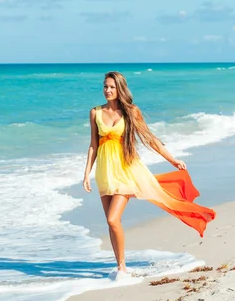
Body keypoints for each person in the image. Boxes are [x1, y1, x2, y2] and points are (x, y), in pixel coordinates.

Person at [82, 71, 216, 279]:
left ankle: (122, 268)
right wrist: (86, 174)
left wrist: (172, 159)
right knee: (112, 223)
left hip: (126, 170)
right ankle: (120, 267)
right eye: (105, 86)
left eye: (112, 87)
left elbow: (149, 138)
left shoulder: (131, 112)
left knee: (112, 219)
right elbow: (93, 145)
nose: (107, 90)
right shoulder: (95, 113)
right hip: (104, 172)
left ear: (120, 89)